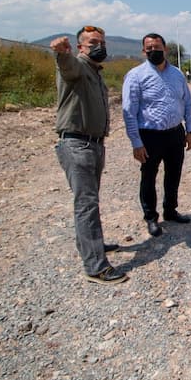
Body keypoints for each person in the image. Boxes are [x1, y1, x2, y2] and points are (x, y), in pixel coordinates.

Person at [52, 25, 127, 285]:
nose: (100, 46)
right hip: (77, 145)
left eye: (102, 42)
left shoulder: (95, 71)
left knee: (90, 202)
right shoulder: (77, 66)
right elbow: (67, 66)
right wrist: (61, 53)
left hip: (93, 145)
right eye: (93, 42)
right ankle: (96, 267)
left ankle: (92, 247)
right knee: (86, 205)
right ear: (80, 47)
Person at [122, 33, 191, 238]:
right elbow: (129, 111)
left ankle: (170, 211)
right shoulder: (135, 75)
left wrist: (189, 131)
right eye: (149, 48)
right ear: (144, 51)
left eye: (157, 47)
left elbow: (187, 103)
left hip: (175, 134)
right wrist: (136, 142)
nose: (154, 51)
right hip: (150, 136)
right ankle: (151, 218)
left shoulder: (178, 75)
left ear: (166, 49)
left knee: (174, 174)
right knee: (149, 177)